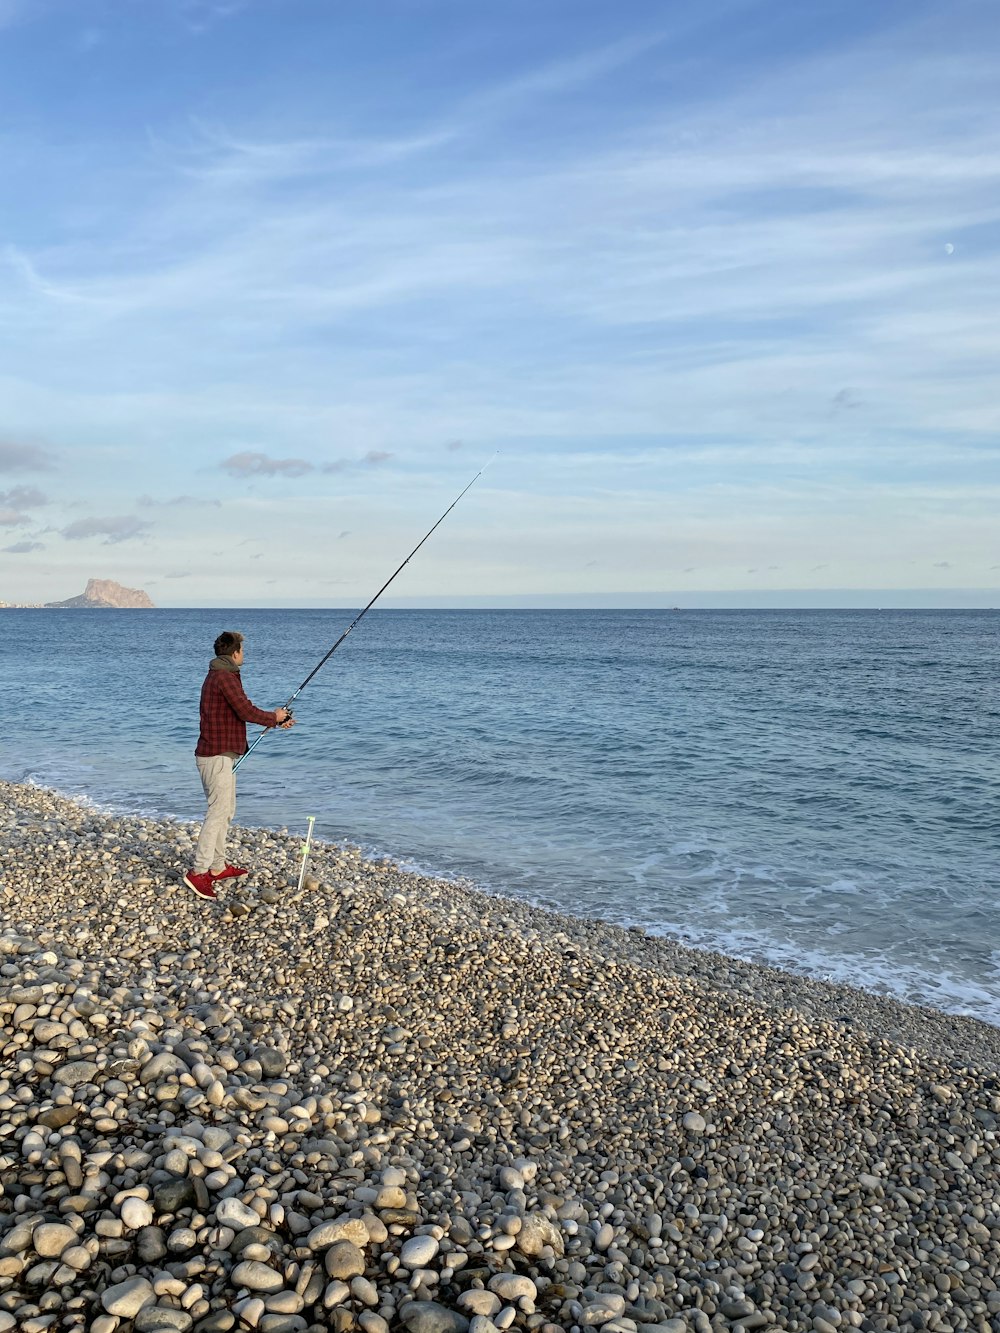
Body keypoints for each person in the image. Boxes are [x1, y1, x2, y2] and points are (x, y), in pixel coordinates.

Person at [184, 630, 295, 900]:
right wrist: (274, 716)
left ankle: (217, 867)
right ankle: (198, 872)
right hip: (216, 755)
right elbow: (245, 710)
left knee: (226, 811)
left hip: (223, 754)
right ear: (235, 653)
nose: (244, 655)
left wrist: (276, 720)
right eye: (242, 650)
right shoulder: (224, 676)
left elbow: (240, 710)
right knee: (218, 812)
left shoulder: (221, 675)